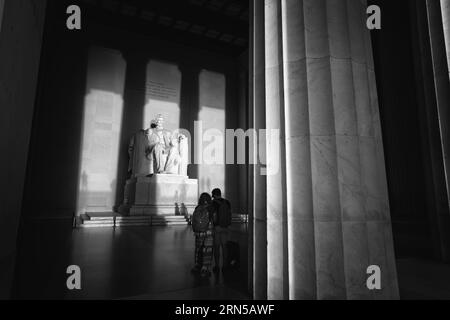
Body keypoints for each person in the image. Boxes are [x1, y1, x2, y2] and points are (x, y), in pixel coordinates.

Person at [191, 193, 214, 277]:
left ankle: (197, 266)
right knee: (207, 250)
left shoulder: (197, 208)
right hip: (208, 232)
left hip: (198, 232)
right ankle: (205, 269)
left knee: (198, 249)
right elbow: (214, 219)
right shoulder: (210, 208)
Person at [210, 188, 232, 273]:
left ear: (214, 195)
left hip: (217, 227)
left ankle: (217, 266)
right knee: (224, 247)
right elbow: (230, 214)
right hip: (226, 227)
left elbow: (212, 215)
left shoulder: (213, 203)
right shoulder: (227, 202)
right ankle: (225, 266)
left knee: (217, 247)